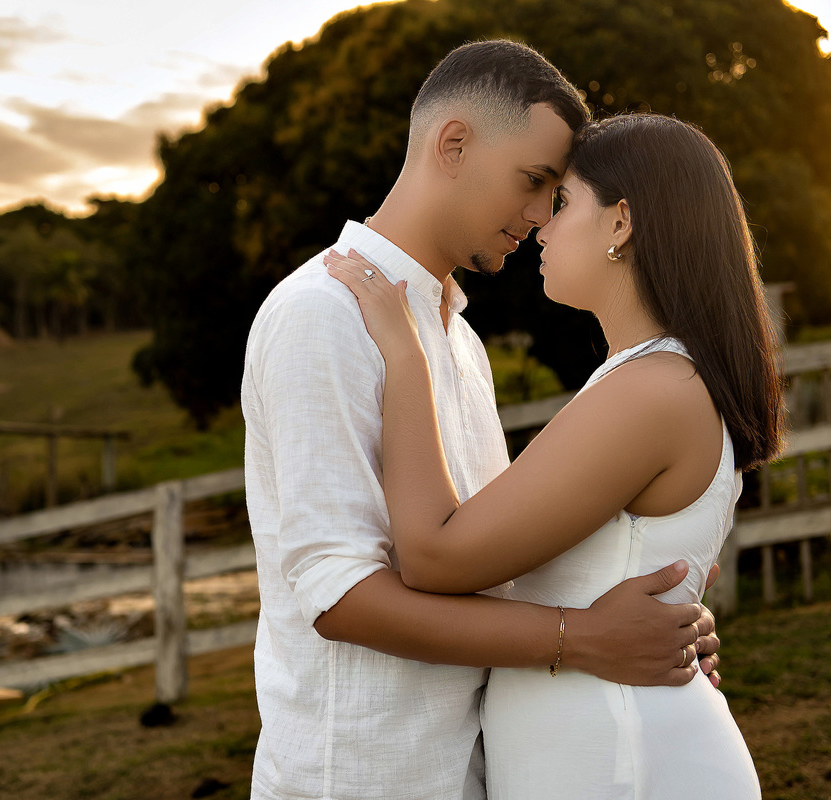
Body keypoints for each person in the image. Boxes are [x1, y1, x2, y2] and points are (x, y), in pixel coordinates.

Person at [242, 41, 726, 800]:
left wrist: (655, 626)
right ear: (454, 144)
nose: (539, 216)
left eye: (556, 195)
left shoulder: (458, 338)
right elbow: (338, 597)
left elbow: (489, 563)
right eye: (534, 183)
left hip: (473, 769)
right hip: (367, 780)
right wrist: (583, 640)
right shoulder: (322, 314)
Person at [325, 111, 782, 797]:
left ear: (621, 223)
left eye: (564, 202)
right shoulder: (645, 378)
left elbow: (432, 556)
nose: (541, 221)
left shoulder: (653, 389)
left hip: (622, 759)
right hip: (597, 750)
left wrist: (404, 359)